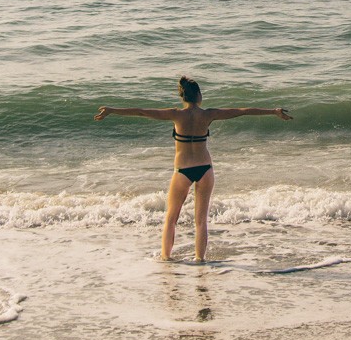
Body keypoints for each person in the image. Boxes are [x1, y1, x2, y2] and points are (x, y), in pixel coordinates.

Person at [95, 76, 292, 262]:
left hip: (182, 170)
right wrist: (273, 111)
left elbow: (141, 111)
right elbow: (242, 110)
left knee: (171, 219)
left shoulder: (175, 114)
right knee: (201, 221)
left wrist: (112, 110)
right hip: (205, 169)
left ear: (182, 96)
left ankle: (166, 259)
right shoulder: (208, 114)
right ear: (199, 95)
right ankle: (200, 260)